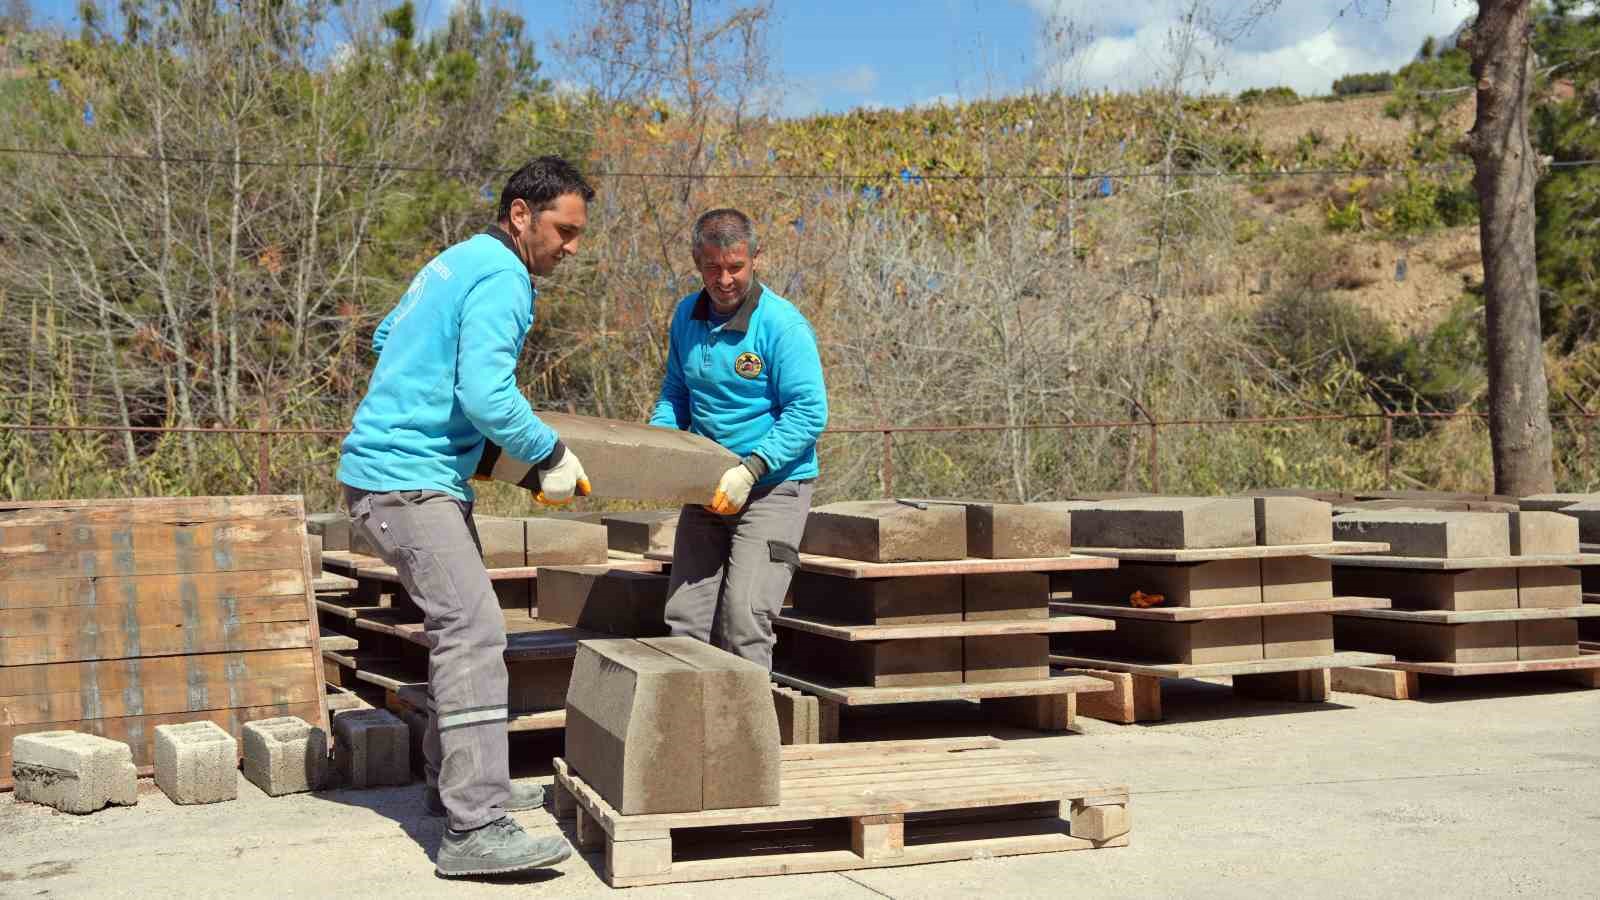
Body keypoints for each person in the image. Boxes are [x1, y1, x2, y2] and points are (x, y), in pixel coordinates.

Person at [338, 156, 593, 878]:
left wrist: (427, 412)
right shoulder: (505, 278)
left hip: (403, 476)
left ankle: (453, 784)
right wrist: (547, 453)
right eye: (563, 230)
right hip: (405, 483)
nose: (571, 246)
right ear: (521, 214)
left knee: (460, 626)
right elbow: (485, 392)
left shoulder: (454, 262)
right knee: (475, 630)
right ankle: (474, 826)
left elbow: (387, 338)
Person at [649, 208, 829, 670]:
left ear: (755, 259)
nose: (724, 279)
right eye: (713, 268)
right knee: (685, 619)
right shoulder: (687, 317)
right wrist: (657, 447)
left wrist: (751, 468)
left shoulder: (782, 326)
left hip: (773, 489)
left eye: (735, 267)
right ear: (697, 261)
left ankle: (747, 739)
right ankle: (685, 733)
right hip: (706, 486)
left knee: (743, 621)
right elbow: (675, 394)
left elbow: (810, 413)